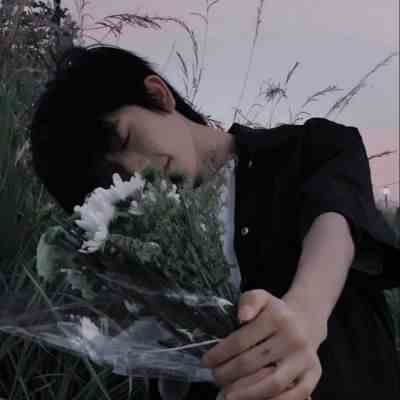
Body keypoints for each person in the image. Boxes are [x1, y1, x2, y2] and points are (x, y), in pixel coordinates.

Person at [29, 44, 400, 399]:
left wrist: (304, 314)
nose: (134, 173)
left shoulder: (309, 148)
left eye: (125, 140)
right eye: (109, 179)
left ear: (158, 95)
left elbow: (335, 224)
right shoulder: (138, 248)